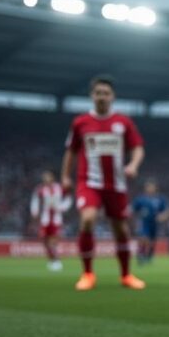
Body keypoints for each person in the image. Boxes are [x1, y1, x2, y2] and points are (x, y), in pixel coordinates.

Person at [60, 75, 146, 291]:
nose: (102, 97)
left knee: (121, 230)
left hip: (116, 185)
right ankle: (87, 274)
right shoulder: (80, 122)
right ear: (92, 96)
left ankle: (126, 275)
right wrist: (65, 176)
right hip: (88, 182)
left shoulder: (123, 122)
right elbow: (70, 151)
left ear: (113, 96)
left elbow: (138, 147)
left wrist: (133, 164)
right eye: (98, 93)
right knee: (88, 219)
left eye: (106, 93)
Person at [29, 169, 71, 271]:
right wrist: (34, 211)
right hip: (45, 219)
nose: (46, 180)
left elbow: (68, 198)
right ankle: (51, 260)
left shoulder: (59, 188)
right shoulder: (41, 189)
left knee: (53, 240)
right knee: (44, 240)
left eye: (48, 178)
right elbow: (35, 200)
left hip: (56, 219)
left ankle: (57, 261)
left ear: (52, 178)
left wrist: (62, 207)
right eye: (44, 179)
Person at [132, 179, 169, 265]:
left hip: (155, 223)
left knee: (152, 241)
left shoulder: (160, 198)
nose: (150, 188)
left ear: (155, 188)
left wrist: (163, 216)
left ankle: (149, 256)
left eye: (151, 186)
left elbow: (167, 210)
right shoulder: (140, 199)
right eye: (148, 187)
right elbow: (133, 209)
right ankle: (141, 255)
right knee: (144, 238)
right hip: (144, 222)